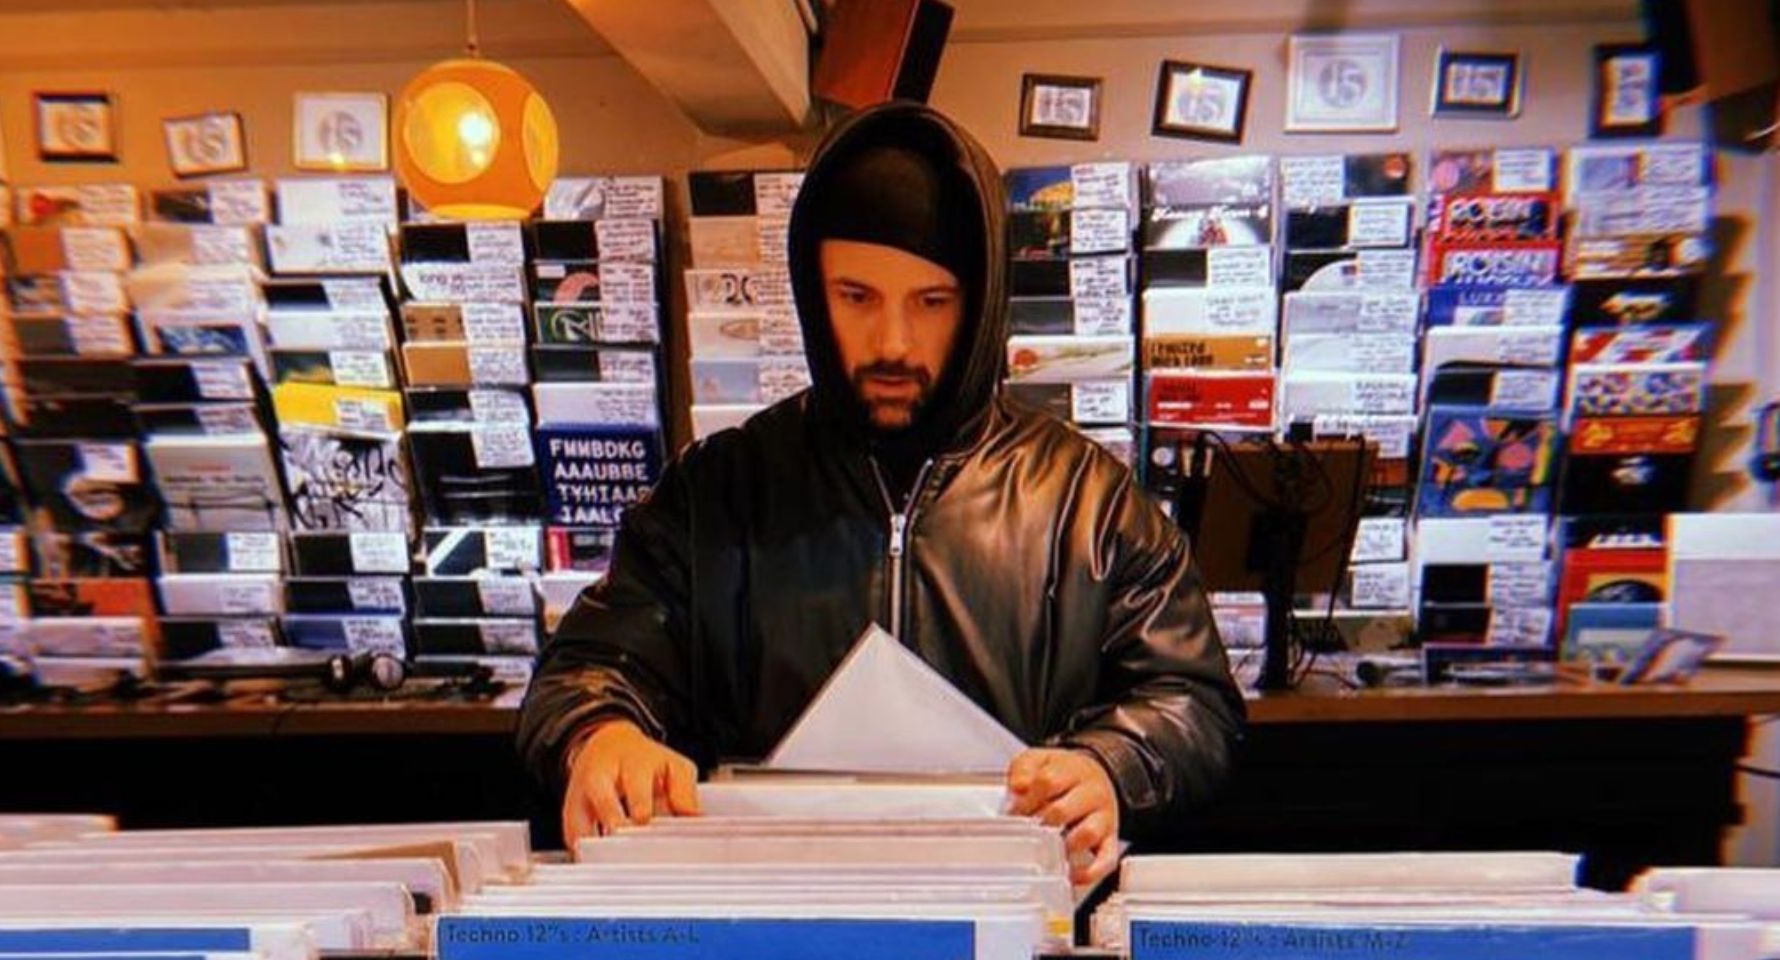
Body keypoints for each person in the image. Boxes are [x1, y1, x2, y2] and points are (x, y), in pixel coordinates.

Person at [519, 102, 1245, 884]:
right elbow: (589, 667)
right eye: (857, 297)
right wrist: (601, 731)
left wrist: (1110, 766)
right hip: (766, 919)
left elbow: (1193, 700)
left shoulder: (1089, 503)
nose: (893, 343)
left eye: (931, 301)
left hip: (1015, 917)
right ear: (812, 291)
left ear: (980, 301)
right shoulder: (714, 493)